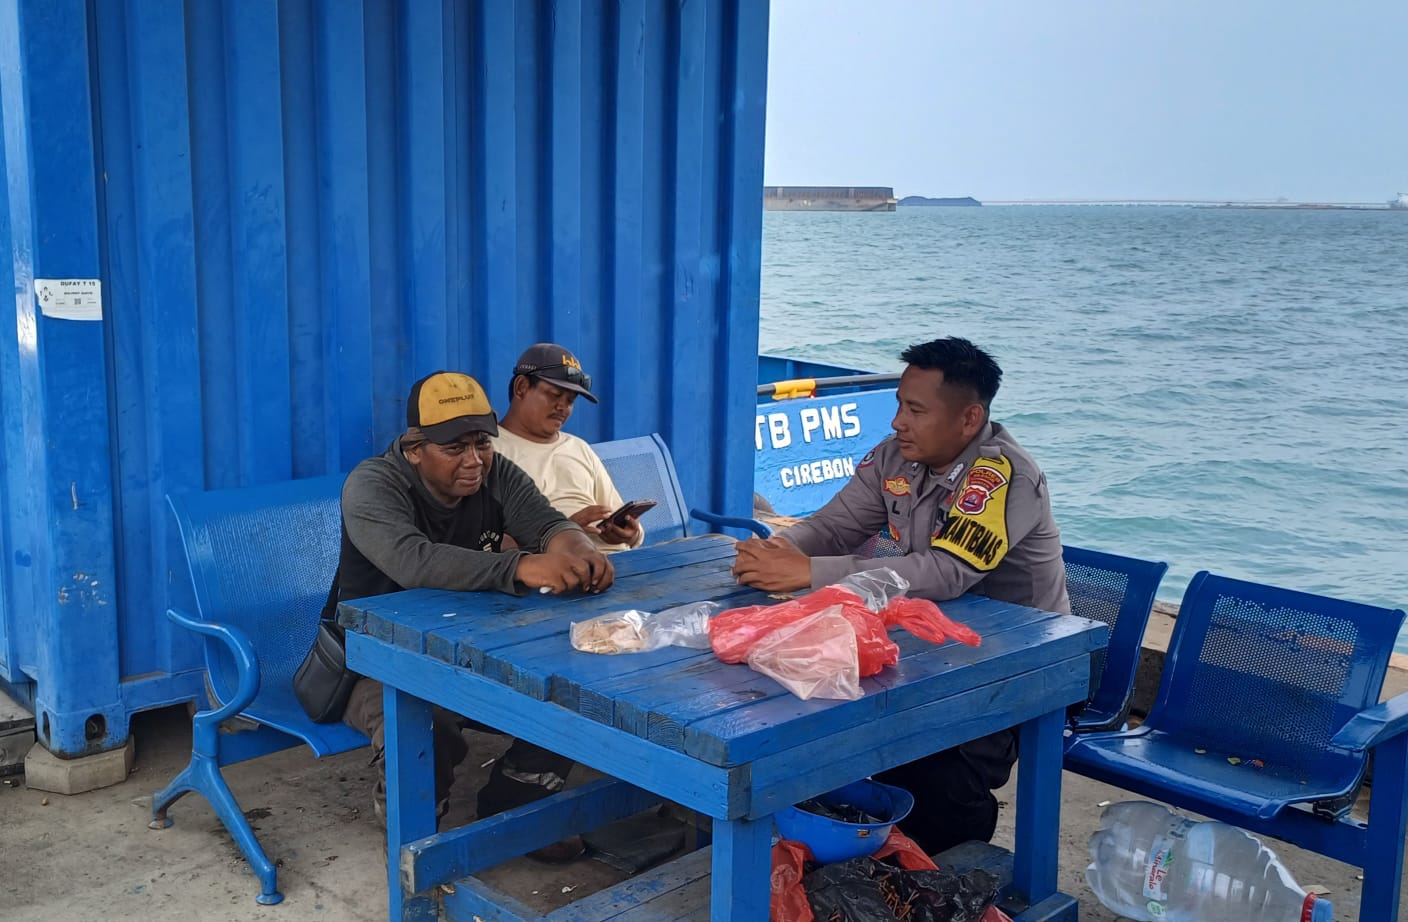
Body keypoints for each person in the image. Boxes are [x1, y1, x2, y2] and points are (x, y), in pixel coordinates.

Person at [731, 337, 1069, 857]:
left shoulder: (1002, 475)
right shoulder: (896, 456)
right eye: (899, 406)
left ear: (969, 418)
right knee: (804, 703)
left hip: (1019, 661)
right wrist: (779, 551)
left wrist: (808, 572)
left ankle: (946, 855)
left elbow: (948, 572)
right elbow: (834, 526)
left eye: (915, 410)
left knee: (936, 773)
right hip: (931, 644)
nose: (897, 422)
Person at [316, 370, 613, 862]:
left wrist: (579, 548)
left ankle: (515, 803)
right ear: (415, 449)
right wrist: (520, 566)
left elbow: (545, 523)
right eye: (454, 448)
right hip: (371, 661)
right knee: (426, 722)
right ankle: (414, 840)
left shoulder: (496, 474)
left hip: (472, 645)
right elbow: (414, 561)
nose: (474, 460)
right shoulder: (373, 484)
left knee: (576, 686)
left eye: (482, 443)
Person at [493, 343, 645, 551]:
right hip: (559, 564)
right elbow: (492, 543)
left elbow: (618, 514)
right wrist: (563, 530)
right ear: (521, 387)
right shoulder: (487, 451)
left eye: (570, 401)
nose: (563, 407)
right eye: (554, 395)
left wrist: (631, 534)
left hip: (622, 561)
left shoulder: (578, 447)